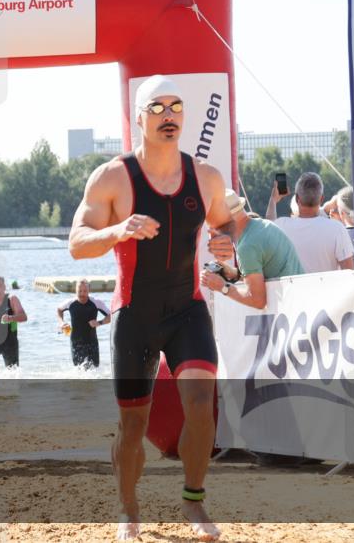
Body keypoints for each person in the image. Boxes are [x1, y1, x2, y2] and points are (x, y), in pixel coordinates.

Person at [67, 75, 232, 541]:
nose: (168, 115)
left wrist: (225, 243)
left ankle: (194, 501)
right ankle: (128, 508)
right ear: (138, 117)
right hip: (134, 313)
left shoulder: (206, 177)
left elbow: (228, 221)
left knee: (202, 405)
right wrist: (117, 231)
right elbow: (77, 244)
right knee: (132, 424)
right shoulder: (113, 177)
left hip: (187, 309)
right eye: (157, 107)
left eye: (176, 107)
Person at [200, 190, 305, 309]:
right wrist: (233, 273)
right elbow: (268, 271)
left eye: (215, 223)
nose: (213, 230)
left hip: (292, 308)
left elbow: (257, 300)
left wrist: (222, 286)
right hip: (299, 303)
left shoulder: (247, 246)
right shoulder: (262, 225)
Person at [264, 172, 354, 273]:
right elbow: (349, 272)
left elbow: (268, 225)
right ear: (321, 199)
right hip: (327, 288)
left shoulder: (282, 226)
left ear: (298, 199)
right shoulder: (337, 229)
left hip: (293, 288)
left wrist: (273, 199)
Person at [56, 279, 110, 369]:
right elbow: (59, 309)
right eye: (79, 291)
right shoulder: (70, 303)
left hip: (92, 342)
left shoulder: (96, 303)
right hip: (76, 343)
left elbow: (111, 315)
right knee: (79, 373)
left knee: (95, 370)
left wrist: (99, 322)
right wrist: (61, 323)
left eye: (85, 291)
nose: (82, 294)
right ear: (76, 291)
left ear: (89, 291)